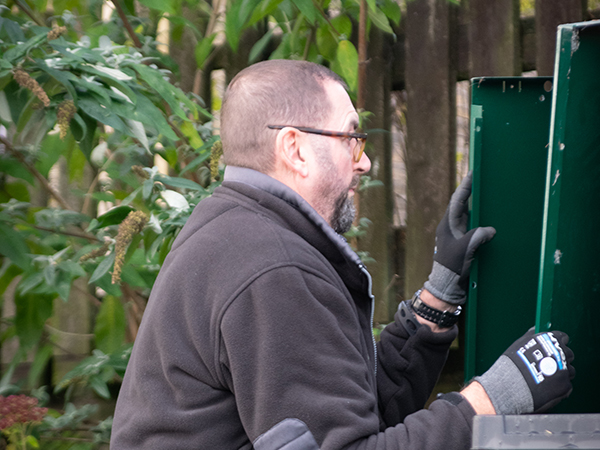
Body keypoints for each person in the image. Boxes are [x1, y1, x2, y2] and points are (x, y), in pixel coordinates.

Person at [110, 60, 575, 450]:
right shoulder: (273, 269)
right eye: (350, 136)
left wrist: (437, 299)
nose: (364, 159)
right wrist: (492, 401)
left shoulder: (236, 226)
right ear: (295, 148)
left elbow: (349, 405)